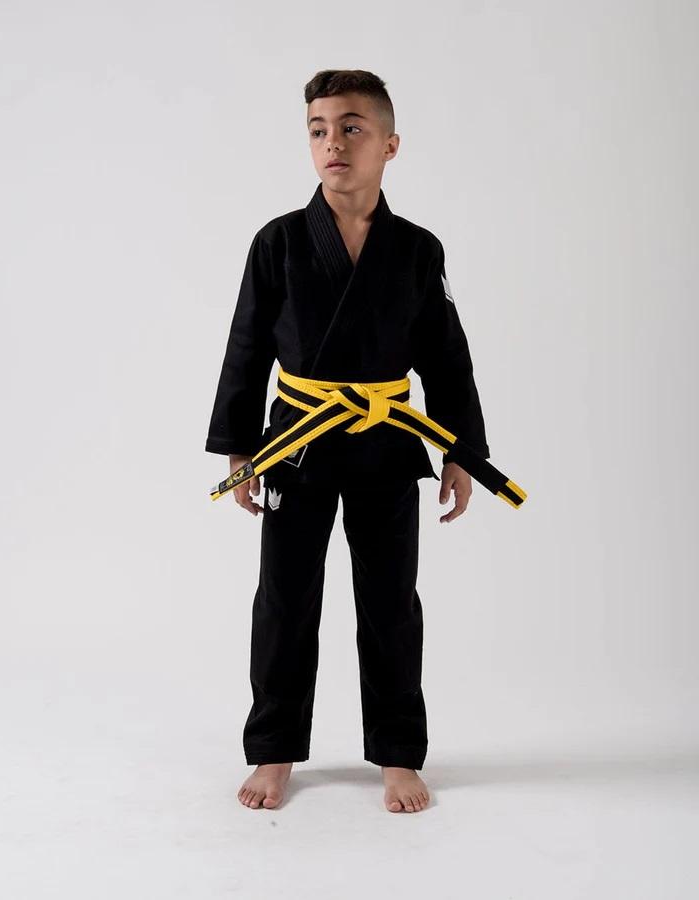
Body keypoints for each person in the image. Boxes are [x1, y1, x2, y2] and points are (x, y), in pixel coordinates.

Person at [205, 69, 492, 813]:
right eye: (319, 129)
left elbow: (447, 357)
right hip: (297, 444)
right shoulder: (277, 242)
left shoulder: (418, 249)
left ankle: (398, 752)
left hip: (386, 442)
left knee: (391, 601)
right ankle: (273, 749)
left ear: (389, 145)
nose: (333, 142)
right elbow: (245, 348)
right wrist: (239, 448)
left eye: (352, 127)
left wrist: (461, 452)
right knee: (284, 599)